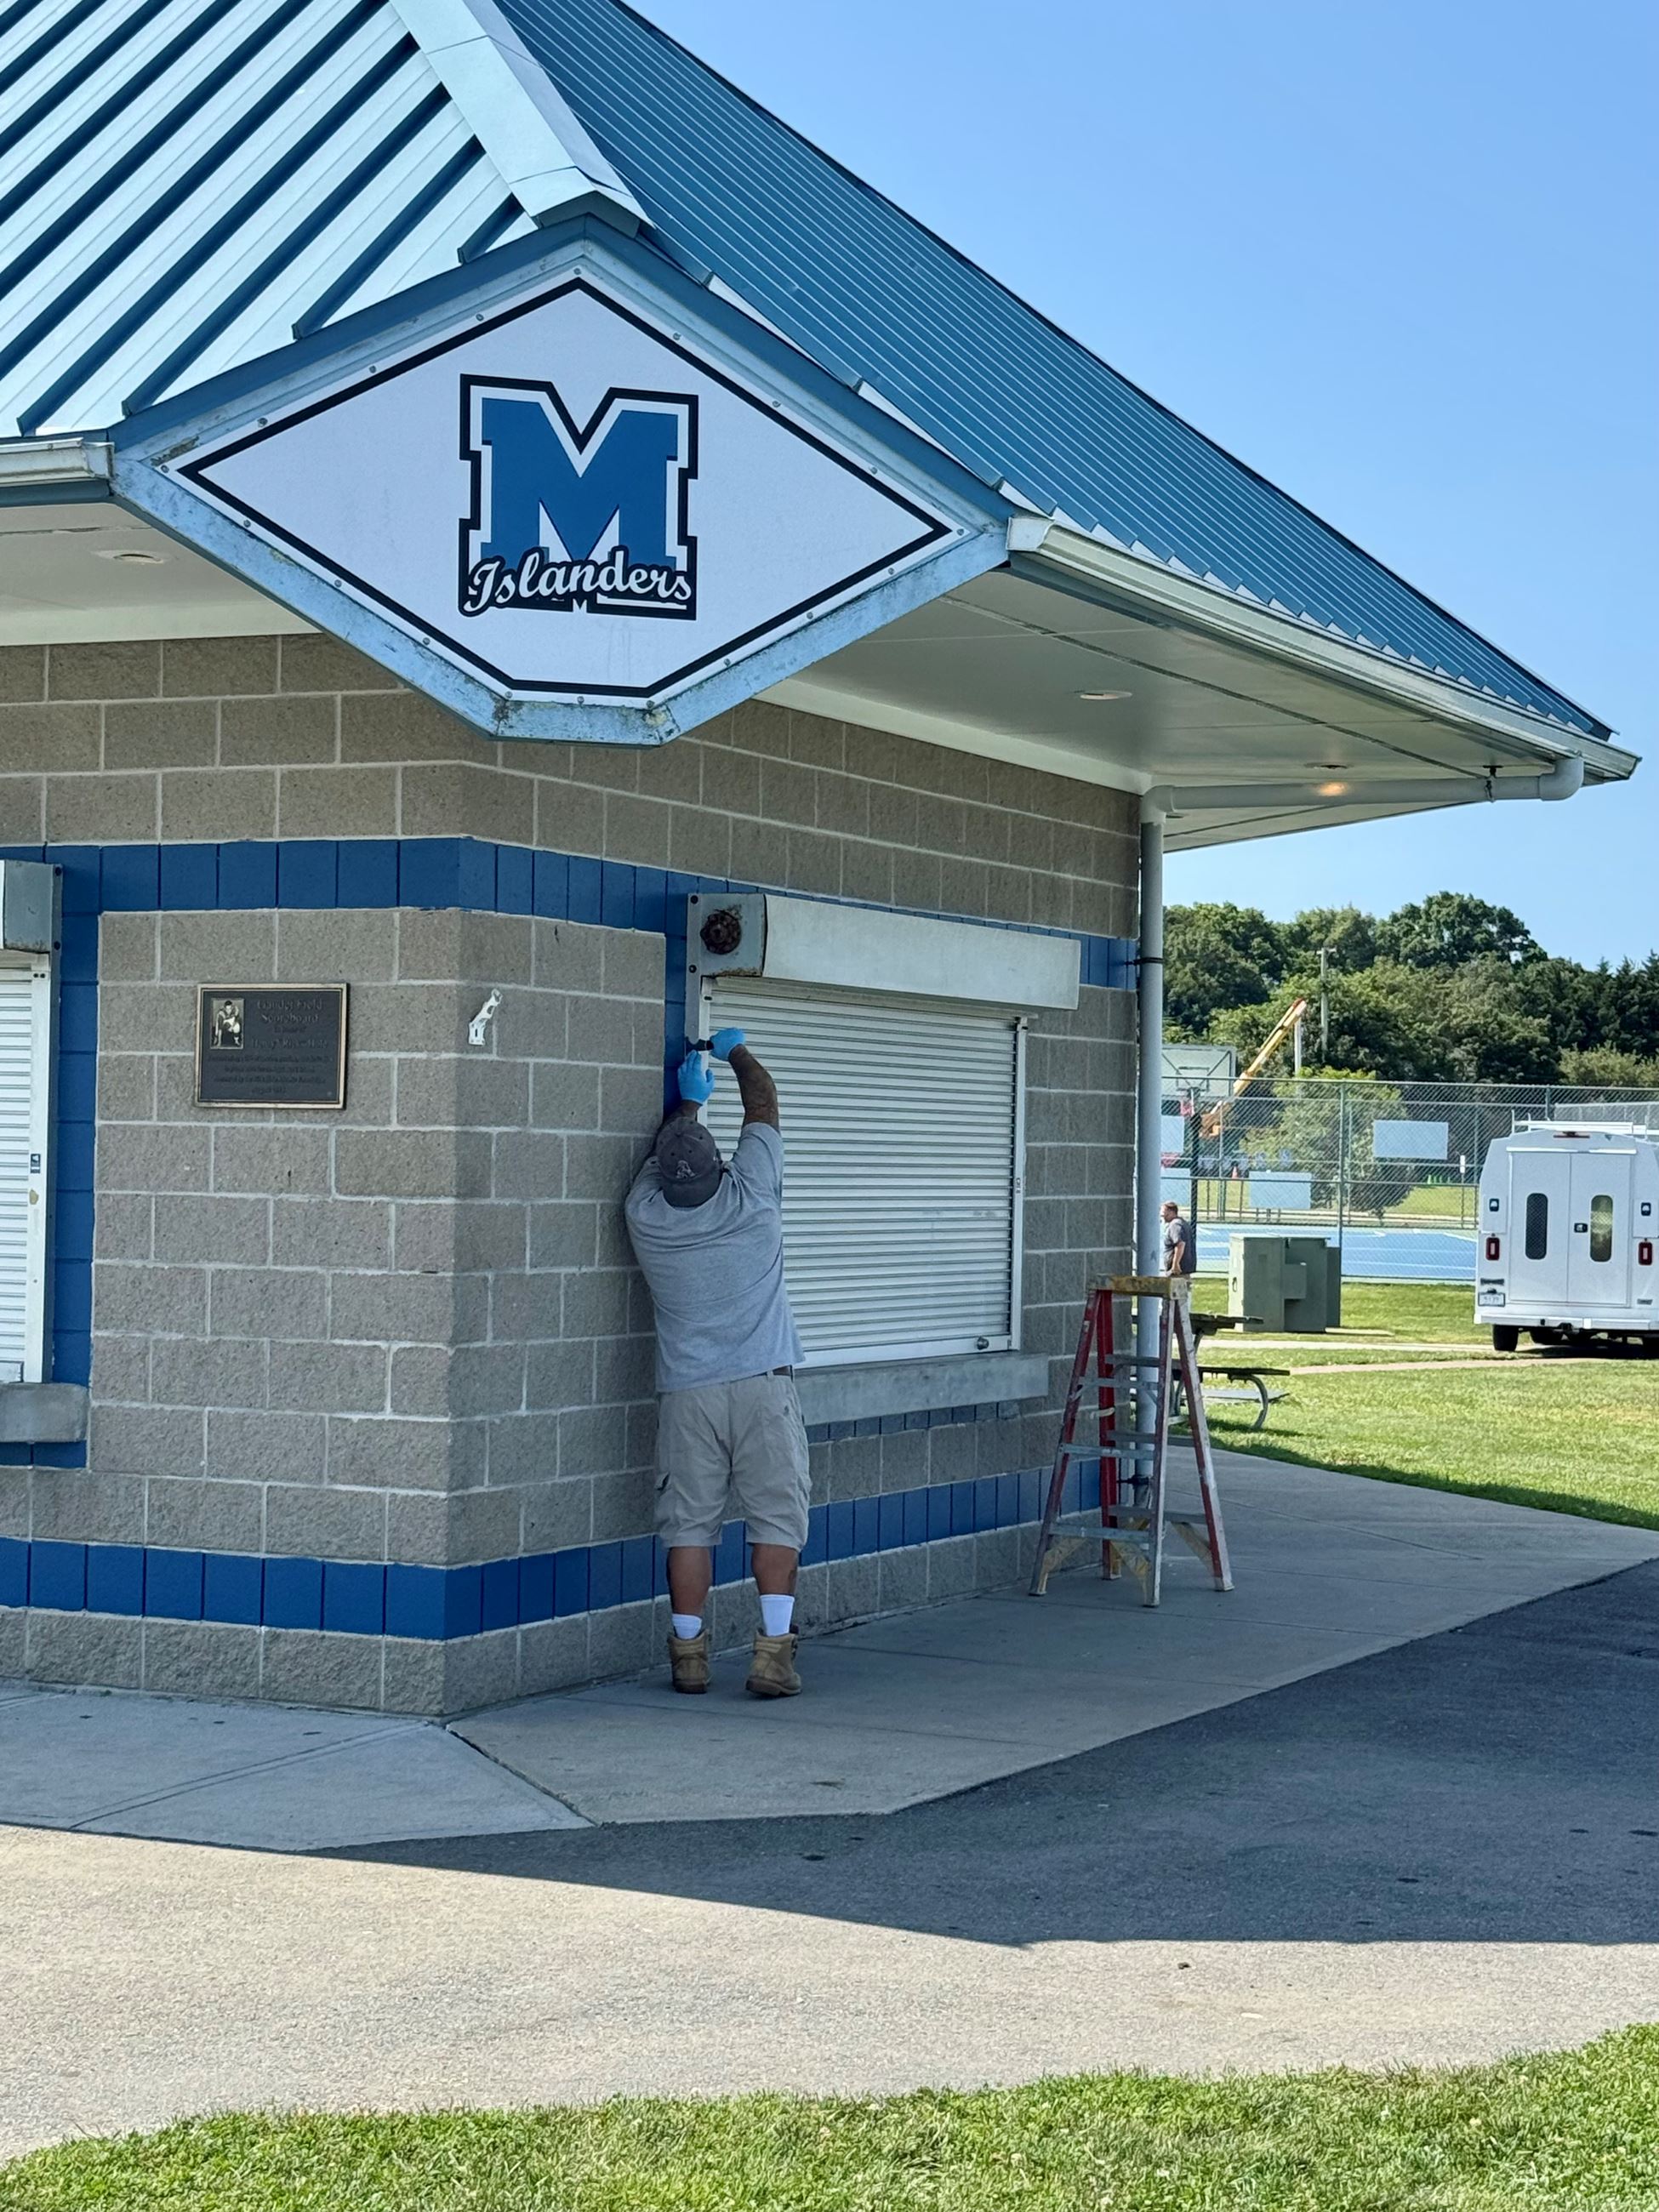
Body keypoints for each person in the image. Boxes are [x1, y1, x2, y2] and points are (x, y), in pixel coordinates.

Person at [624, 1029, 809, 1700]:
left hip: (687, 1395)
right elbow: (764, 1104)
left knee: (689, 1527)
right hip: (763, 1387)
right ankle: (772, 1656)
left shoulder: (645, 1216)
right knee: (776, 1521)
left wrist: (684, 1103)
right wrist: (733, 1053)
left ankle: (689, 1657)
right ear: (718, 1168)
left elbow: (663, 1159)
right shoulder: (754, 1199)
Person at [1161, 1199, 1196, 1286]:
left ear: (1171, 1211)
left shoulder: (1175, 1225)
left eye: (1163, 1212)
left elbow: (1180, 1244)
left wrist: (1175, 1264)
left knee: (1173, 1297)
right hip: (1183, 1271)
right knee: (1182, 1297)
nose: (1162, 1215)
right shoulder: (1182, 1223)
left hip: (1177, 1272)